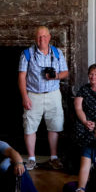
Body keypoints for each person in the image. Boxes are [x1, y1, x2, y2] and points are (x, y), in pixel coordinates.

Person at [18, 25, 69, 171]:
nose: (42, 39)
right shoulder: (27, 53)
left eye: (45, 36)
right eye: (39, 37)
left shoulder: (57, 52)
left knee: (55, 126)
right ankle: (32, 159)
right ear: (35, 38)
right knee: (29, 127)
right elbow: (21, 77)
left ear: (49, 37)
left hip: (53, 94)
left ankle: (53, 157)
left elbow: (65, 72)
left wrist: (56, 76)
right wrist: (24, 97)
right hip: (33, 94)